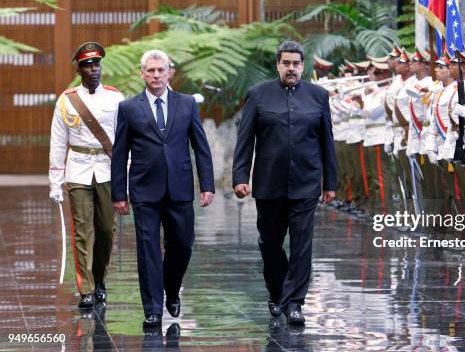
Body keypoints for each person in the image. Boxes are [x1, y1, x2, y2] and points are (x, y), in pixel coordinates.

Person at [232, 41, 337, 325]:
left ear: (303, 66)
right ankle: (276, 291)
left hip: (306, 182)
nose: (291, 68)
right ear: (278, 65)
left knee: (302, 245)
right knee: (270, 243)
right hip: (269, 184)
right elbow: (245, 140)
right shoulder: (258, 95)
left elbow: (327, 142)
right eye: (286, 63)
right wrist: (240, 177)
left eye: (296, 64)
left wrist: (331, 182)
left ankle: (294, 303)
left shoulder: (318, 96)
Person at [111, 49, 215, 328]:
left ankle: (171, 289)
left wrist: (207, 184)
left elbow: (201, 147)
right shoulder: (129, 108)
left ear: (170, 72)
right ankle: (153, 309)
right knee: (148, 250)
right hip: (144, 190)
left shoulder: (187, 104)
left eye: (161, 70)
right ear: (142, 73)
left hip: (180, 188)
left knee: (182, 245)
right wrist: (119, 194)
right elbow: (119, 152)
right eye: (151, 70)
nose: (156, 75)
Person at [49, 42, 124, 309]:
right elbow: (58, 142)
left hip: (107, 170)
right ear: (79, 69)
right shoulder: (67, 100)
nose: (93, 69)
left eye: (96, 64)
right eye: (88, 65)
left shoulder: (116, 98)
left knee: (106, 229)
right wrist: (55, 182)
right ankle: (87, 288)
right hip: (79, 170)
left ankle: (100, 278)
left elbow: (125, 139)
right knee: (82, 230)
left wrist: (127, 173)